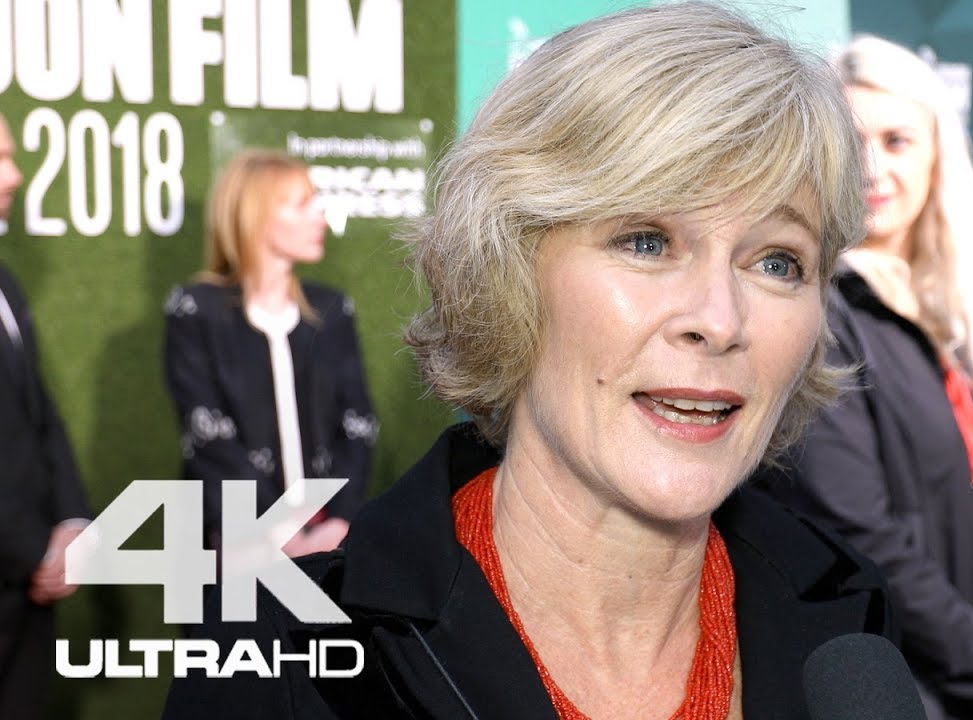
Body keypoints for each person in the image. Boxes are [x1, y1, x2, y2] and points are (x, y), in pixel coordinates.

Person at [163, 3, 899, 718]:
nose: (719, 320)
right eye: (646, 242)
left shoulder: (846, 627)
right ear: (507, 271)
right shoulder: (286, 661)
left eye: (776, 262)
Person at [757, 35, 973, 720]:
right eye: (852, 142)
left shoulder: (945, 315)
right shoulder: (815, 314)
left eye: (897, 141)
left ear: (936, 158)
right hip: (904, 690)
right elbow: (865, 543)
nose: (873, 168)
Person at [163, 149, 376, 557]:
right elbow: (207, 432)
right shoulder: (195, 310)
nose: (321, 216)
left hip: (328, 538)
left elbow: (359, 423)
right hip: (231, 542)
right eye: (302, 204)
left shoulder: (332, 310)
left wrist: (339, 521)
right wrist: (274, 531)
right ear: (254, 215)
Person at [0, 111, 92, 717]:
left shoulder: (6, 285)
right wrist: (34, 551)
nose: (15, 176)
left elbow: (40, 417)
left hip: (31, 594)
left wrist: (71, 525)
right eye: (0, 160)